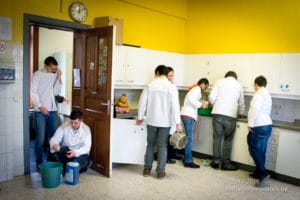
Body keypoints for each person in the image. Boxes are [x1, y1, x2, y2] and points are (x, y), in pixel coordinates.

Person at [136, 65, 182, 179]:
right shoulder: (171, 87)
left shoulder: (150, 85)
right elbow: (176, 106)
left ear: (157, 72)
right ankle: (160, 172)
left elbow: (142, 102)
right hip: (165, 122)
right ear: (166, 74)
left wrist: (140, 117)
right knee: (162, 146)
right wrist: (178, 123)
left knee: (150, 145)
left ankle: (147, 169)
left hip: (151, 120)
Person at [209, 71, 245, 170]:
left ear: (225, 76)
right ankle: (225, 164)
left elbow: (211, 98)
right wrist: (241, 113)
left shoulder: (219, 82)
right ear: (235, 78)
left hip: (217, 113)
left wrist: (214, 104)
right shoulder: (239, 85)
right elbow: (241, 102)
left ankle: (215, 162)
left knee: (217, 138)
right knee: (228, 140)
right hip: (231, 115)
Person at [30, 56, 62, 171]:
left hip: (52, 111)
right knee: (40, 139)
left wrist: (58, 76)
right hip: (40, 111)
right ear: (45, 66)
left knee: (54, 137)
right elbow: (33, 92)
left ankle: (51, 159)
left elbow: (55, 92)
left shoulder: (54, 75)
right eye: (51, 69)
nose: (53, 70)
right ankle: (39, 164)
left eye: (55, 69)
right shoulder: (37, 74)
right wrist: (40, 106)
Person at [247, 75, 272, 188]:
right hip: (266, 125)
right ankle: (258, 172)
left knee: (254, 149)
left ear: (256, 84)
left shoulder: (259, 94)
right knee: (261, 151)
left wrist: (250, 124)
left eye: (254, 85)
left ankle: (263, 173)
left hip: (258, 125)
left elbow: (255, 109)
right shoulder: (267, 93)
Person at [49, 110, 92, 175]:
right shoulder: (64, 126)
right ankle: (68, 167)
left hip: (78, 153)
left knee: (82, 161)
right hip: (66, 151)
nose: (73, 125)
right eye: (71, 122)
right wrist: (55, 145)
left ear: (81, 121)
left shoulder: (86, 130)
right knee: (52, 155)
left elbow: (86, 148)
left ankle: (75, 166)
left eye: (76, 123)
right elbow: (54, 139)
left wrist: (75, 152)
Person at [181, 78, 209, 168]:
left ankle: (186, 157)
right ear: (203, 84)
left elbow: (191, 99)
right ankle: (188, 161)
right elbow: (191, 100)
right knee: (190, 138)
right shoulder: (197, 89)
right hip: (189, 116)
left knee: (188, 138)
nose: (205, 88)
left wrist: (200, 103)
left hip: (186, 114)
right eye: (206, 86)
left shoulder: (194, 88)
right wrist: (201, 105)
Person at [166, 66, 183, 164]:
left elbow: (175, 104)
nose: (170, 77)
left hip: (173, 116)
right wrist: (178, 122)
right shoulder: (165, 86)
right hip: (167, 117)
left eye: (172, 75)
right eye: (169, 75)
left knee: (171, 137)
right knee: (167, 138)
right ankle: (167, 157)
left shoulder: (173, 86)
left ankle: (171, 155)